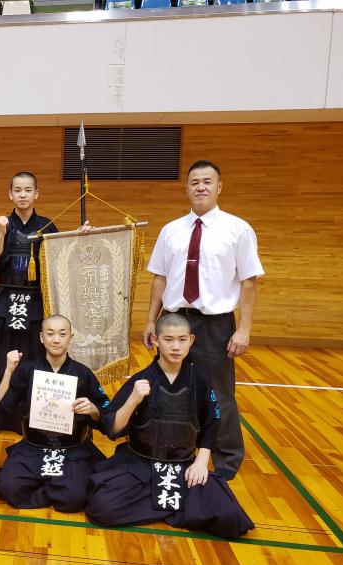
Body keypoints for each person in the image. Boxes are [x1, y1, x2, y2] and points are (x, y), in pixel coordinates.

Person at [142, 160, 264, 480]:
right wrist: (151, 321)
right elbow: (159, 278)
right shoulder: (170, 230)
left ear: (219, 187)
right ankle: (172, 447)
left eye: (207, 181)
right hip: (173, 320)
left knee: (219, 393)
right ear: (186, 189)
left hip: (215, 324)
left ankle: (226, 461)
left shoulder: (238, 229)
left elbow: (249, 281)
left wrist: (244, 329)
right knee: (169, 387)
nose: (201, 187)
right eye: (195, 182)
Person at [85, 313, 254, 539]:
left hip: (183, 466)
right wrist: (133, 400)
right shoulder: (141, 380)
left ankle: (158, 504)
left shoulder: (200, 380)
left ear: (191, 340)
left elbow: (211, 424)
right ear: (155, 340)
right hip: (141, 464)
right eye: (168, 339)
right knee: (101, 508)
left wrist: (201, 463)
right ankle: (180, 506)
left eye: (182, 340)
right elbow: (112, 429)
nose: (176, 347)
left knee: (232, 519)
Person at [0, 315, 111, 513]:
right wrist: (9, 370)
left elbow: (105, 411)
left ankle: (54, 485)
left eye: (62, 334)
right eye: (50, 334)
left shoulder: (83, 373)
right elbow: (3, 405)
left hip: (72, 448)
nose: (56, 340)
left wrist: (93, 410)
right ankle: (56, 487)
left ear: (71, 337)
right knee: (11, 487)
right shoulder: (27, 370)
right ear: (41, 337)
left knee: (74, 499)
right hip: (33, 446)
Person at [0, 172, 61, 435]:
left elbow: (61, 259)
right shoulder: (1, 224)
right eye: (17, 190)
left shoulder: (47, 226)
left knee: (34, 359)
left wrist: (80, 236)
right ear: (10, 194)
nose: (22, 194)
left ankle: (31, 417)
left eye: (27, 190)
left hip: (35, 301)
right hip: (5, 300)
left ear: (36, 193)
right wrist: (1, 234)